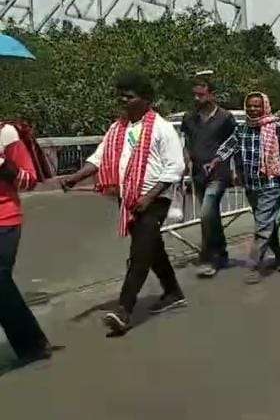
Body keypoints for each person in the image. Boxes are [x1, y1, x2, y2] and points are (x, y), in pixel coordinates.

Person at [61, 72, 187, 335]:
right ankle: (173, 291)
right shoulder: (117, 128)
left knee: (139, 254)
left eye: (129, 96)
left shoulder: (162, 128)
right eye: (122, 95)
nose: (123, 100)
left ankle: (123, 310)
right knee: (153, 248)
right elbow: (99, 157)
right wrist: (74, 178)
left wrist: (149, 196)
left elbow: (176, 167)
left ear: (146, 99)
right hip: (129, 199)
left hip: (154, 200)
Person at [206, 92, 280, 286]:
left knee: (262, 225)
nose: (253, 109)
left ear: (264, 106)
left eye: (257, 106)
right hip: (251, 185)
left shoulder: (277, 128)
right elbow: (229, 146)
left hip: (271, 183)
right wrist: (216, 160)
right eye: (249, 106)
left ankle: (254, 265)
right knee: (266, 222)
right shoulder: (242, 130)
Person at [0, 119, 55, 363]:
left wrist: (1, 164)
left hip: (4, 219)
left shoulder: (6, 133)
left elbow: (28, 179)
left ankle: (33, 345)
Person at [180, 71, 237, 278]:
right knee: (211, 216)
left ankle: (209, 258)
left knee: (205, 213)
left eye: (201, 95)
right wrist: (186, 160)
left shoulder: (226, 118)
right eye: (195, 95)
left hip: (219, 174)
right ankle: (221, 252)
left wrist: (234, 169)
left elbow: (234, 143)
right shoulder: (189, 118)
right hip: (198, 174)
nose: (197, 99)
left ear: (212, 95)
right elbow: (187, 142)